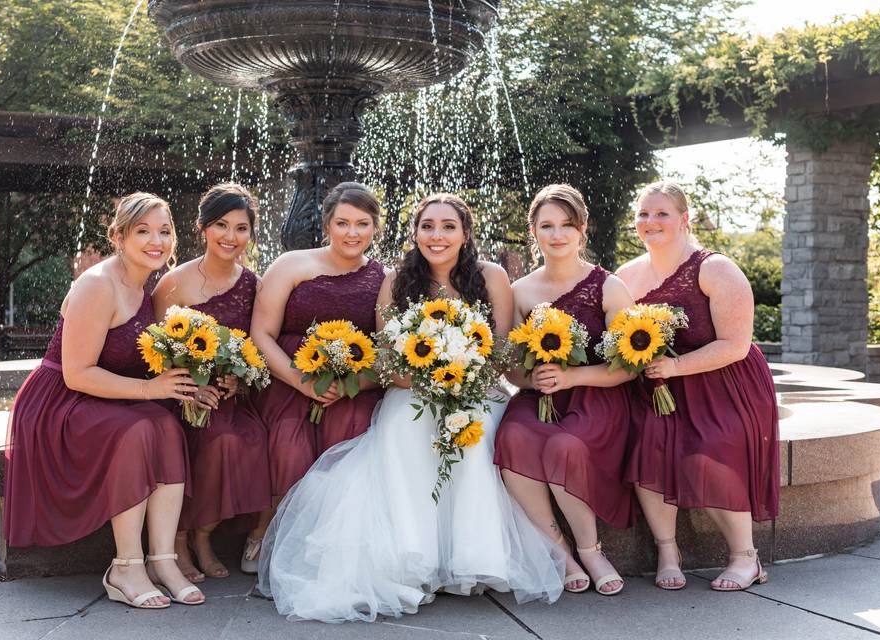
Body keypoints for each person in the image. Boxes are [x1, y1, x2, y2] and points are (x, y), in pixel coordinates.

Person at [258, 193, 566, 623]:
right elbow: (386, 359)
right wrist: (429, 378)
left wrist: (461, 372)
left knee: (477, 437)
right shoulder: (396, 280)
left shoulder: (491, 276)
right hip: (413, 389)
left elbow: (498, 353)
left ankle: (474, 555)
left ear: (465, 233)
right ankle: (410, 556)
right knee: (404, 429)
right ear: (415, 232)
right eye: (427, 226)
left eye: (447, 227)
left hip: (476, 390)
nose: (436, 236)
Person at [4, 193, 204, 608]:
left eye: (164, 231)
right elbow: (78, 373)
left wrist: (190, 383)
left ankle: (163, 560)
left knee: (166, 425)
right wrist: (151, 390)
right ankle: (125, 566)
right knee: (137, 429)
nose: (157, 241)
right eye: (143, 231)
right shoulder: (97, 285)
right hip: (62, 400)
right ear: (118, 236)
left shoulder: (151, 281)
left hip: (106, 394)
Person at [615, 180, 780, 591]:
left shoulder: (714, 268)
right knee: (645, 443)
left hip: (724, 383)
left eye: (661, 214)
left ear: (684, 219)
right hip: (659, 388)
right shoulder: (625, 276)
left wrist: (676, 366)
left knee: (713, 446)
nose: (650, 222)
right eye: (643, 214)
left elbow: (736, 345)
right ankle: (668, 550)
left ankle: (746, 557)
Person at [494, 184, 636, 596]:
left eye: (567, 226)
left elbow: (628, 367)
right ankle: (560, 551)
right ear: (533, 231)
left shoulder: (608, 287)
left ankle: (591, 550)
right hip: (539, 398)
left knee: (564, 447)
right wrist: (530, 379)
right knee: (512, 437)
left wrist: (573, 377)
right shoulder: (520, 292)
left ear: (582, 230)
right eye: (547, 226)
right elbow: (509, 365)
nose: (557, 235)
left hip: (598, 396)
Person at [248, 182, 387, 572]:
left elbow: (387, 349)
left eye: (362, 223)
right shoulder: (292, 265)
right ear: (327, 223)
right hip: (287, 378)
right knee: (289, 445)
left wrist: (348, 386)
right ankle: (269, 528)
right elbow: (261, 333)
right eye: (342, 222)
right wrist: (300, 381)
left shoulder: (384, 278)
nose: (352, 232)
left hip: (349, 385)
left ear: (375, 227)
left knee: (352, 430)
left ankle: (332, 542)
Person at [152, 183, 271, 582]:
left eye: (241, 228)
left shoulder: (254, 285)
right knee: (215, 438)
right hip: (179, 395)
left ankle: (205, 535)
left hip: (230, 397)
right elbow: (154, 350)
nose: (230, 237)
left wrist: (242, 382)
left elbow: (256, 348)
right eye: (221, 225)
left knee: (255, 438)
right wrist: (190, 388)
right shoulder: (174, 283)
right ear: (202, 227)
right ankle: (181, 539)